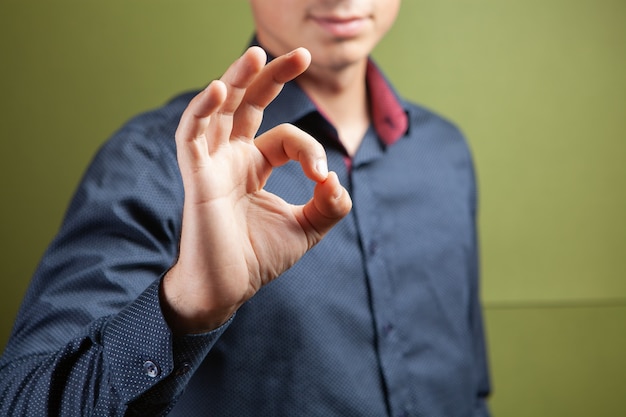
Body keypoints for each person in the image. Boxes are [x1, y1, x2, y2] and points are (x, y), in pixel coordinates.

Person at [0, 0, 491, 415]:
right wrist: (188, 306)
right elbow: (20, 400)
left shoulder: (446, 154)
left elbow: (469, 388)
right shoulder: (155, 161)